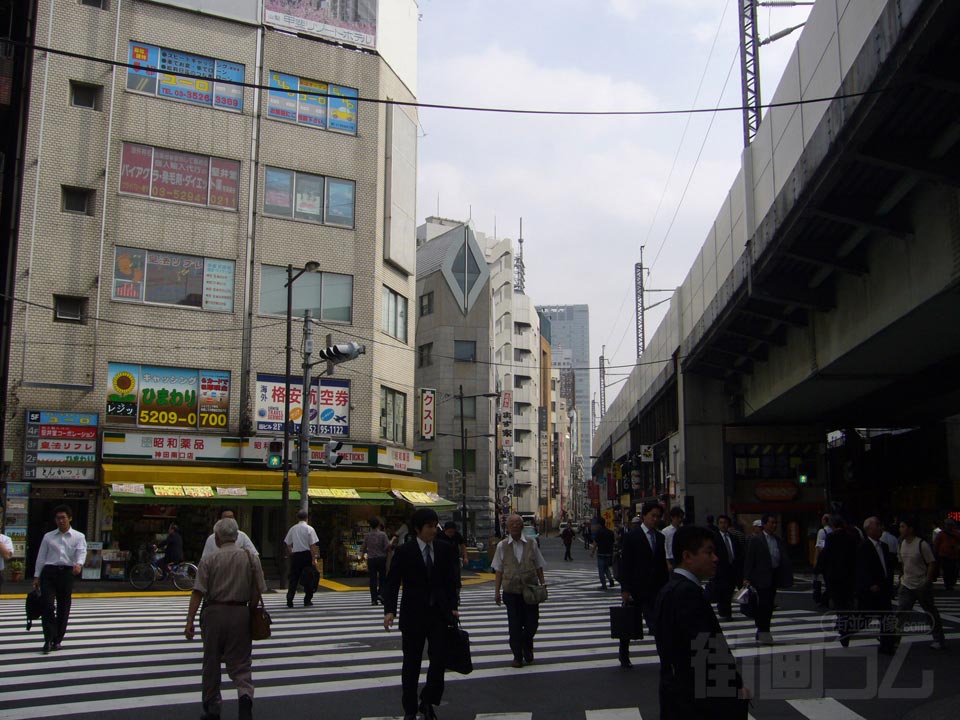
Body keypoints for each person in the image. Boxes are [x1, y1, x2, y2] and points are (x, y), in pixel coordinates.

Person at [654, 525, 749, 719]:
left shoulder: (672, 589)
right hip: (696, 702)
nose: (715, 558)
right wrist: (734, 688)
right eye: (709, 552)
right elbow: (706, 651)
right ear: (688, 557)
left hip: (677, 694)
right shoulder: (686, 593)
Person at [185, 518, 266, 720]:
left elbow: (198, 592)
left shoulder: (209, 560)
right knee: (241, 663)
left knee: (211, 662)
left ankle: (212, 708)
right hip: (240, 612)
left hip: (214, 613)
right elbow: (259, 589)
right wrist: (251, 608)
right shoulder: (250, 558)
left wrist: (190, 620)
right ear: (237, 536)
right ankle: (245, 698)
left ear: (218, 538)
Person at [382, 509, 459, 720]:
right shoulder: (405, 551)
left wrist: (454, 605)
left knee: (439, 661)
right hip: (413, 614)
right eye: (429, 527)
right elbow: (392, 582)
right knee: (411, 664)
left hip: (439, 614)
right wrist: (390, 610)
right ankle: (409, 709)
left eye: (436, 526)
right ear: (418, 529)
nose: (434, 531)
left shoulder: (445, 549)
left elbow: (452, 581)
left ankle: (428, 701)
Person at [618, 502, 669, 668]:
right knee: (629, 623)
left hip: (655, 589)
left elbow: (662, 565)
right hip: (635, 588)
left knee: (659, 624)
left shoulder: (661, 537)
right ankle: (623, 655)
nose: (655, 519)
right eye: (652, 516)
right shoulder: (632, 536)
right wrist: (625, 589)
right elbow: (625, 564)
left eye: (658, 517)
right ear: (644, 516)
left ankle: (665, 657)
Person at [493, 513, 547, 669]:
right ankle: (518, 655)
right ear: (508, 527)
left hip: (530, 590)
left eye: (518, 523)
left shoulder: (531, 543)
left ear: (522, 526)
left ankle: (527, 645)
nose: (516, 525)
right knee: (514, 626)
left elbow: (538, 565)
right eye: (512, 523)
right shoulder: (502, 546)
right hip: (511, 591)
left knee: (532, 623)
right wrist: (497, 592)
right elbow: (498, 570)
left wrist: (543, 583)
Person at [33, 504, 86, 654]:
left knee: (64, 607)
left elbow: (81, 552)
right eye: (58, 518)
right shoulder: (48, 537)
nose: (60, 521)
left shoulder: (78, 536)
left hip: (66, 573)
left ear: (70, 518)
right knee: (47, 606)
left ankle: (57, 640)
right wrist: (37, 575)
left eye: (63, 518)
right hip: (49, 573)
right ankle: (48, 639)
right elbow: (41, 557)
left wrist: (79, 564)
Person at [743, 513, 793, 645]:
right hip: (760, 577)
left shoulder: (777, 539)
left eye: (775, 523)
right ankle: (764, 631)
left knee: (769, 605)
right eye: (771, 522)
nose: (774, 525)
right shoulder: (756, 540)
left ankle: (762, 630)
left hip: (774, 575)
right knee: (764, 605)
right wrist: (747, 577)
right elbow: (750, 560)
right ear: (764, 525)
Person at [897, 517, 946, 649]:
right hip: (906, 583)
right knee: (901, 612)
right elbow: (903, 563)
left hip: (921, 583)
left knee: (930, 611)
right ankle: (893, 638)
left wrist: (927, 580)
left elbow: (931, 562)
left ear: (911, 529)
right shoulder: (902, 543)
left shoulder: (921, 544)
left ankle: (938, 639)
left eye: (903, 526)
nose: (900, 529)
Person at [857, 516, 897, 655]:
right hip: (871, 589)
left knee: (887, 616)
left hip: (884, 587)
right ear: (868, 529)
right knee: (864, 618)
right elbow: (861, 568)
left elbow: (889, 567)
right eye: (877, 525)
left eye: (880, 525)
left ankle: (887, 645)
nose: (880, 528)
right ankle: (846, 630)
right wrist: (869, 584)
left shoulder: (884, 546)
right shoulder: (863, 546)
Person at [819, 515, 859, 646]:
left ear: (833, 526)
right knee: (848, 603)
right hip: (849, 576)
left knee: (839, 604)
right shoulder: (851, 537)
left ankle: (843, 629)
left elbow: (825, 555)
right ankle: (846, 627)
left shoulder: (831, 538)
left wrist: (820, 570)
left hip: (835, 577)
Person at [284, 510, 319, 608]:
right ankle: (307, 600)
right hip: (307, 555)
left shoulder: (293, 529)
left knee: (294, 578)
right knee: (308, 577)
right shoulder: (310, 529)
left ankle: (290, 599)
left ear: (297, 518)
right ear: (307, 518)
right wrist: (314, 558)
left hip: (296, 555)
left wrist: (291, 552)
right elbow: (313, 545)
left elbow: (287, 543)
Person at [712, 514, 743, 621]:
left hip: (732, 569)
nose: (723, 525)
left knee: (729, 591)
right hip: (720, 569)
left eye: (725, 523)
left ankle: (726, 612)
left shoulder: (733, 538)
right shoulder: (715, 538)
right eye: (721, 523)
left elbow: (739, 553)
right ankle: (725, 612)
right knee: (722, 592)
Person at [361, 517, 391, 605]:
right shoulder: (383, 535)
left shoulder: (368, 535)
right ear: (378, 525)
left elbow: (363, 547)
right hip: (381, 558)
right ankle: (381, 594)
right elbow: (387, 547)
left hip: (371, 559)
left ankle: (373, 599)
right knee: (383, 578)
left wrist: (363, 555)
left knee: (372, 579)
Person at [933, 517, 960, 592]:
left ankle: (951, 583)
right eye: (947, 525)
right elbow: (936, 544)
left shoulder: (957, 533)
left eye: (950, 525)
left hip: (954, 555)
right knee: (946, 570)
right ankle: (948, 584)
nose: (949, 526)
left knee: (954, 570)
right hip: (944, 555)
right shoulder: (941, 534)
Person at [591, 519, 616, 590]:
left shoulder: (599, 532)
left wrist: (592, 552)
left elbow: (596, 543)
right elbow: (613, 542)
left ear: (599, 524)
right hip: (609, 554)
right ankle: (610, 579)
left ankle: (604, 585)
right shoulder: (610, 532)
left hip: (601, 553)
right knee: (606, 567)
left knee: (601, 570)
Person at [663, 506, 685, 571]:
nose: (680, 520)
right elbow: (664, 548)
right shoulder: (666, 531)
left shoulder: (683, 530)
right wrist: (667, 563)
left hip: (681, 559)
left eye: (681, 517)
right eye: (678, 517)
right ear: (672, 517)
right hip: (670, 559)